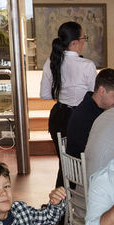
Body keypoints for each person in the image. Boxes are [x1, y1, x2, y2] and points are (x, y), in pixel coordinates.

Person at [39, 21, 96, 186]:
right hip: (80, 118)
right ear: (75, 43)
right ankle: (67, 198)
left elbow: (45, 95)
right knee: (75, 164)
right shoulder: (87, 65)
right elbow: (94, 95)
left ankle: (62, 198)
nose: (84, 42)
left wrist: (64, 91)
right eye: (84, 38)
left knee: (65, 164)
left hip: (58, 117)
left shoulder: (51, 62)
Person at [65, 68, 114, 158]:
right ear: (102, 91)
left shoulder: (94, 108)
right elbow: (98, 150)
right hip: (85, 164)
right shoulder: (86, 116)